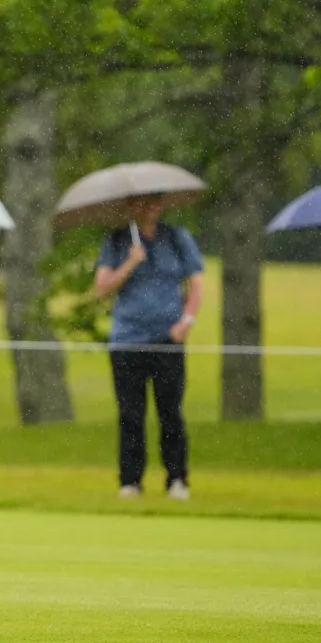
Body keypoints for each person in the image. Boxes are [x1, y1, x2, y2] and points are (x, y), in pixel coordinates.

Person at [93, 194, 204, 500]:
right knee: (131, 414)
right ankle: (130, 481)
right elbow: (101, 288)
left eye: (156, 201)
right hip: (127, 340)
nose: (152, 207)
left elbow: (195, 285)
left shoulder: (177, 238)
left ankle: (177, 479)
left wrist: (187, 320)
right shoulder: (116, 241)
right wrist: (130, 262)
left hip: (167, 338)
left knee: (171, 412)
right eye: (144, 202)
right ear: (131, 206)